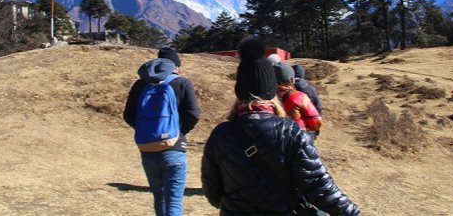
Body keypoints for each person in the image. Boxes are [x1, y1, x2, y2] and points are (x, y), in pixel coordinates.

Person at [202, 37, 360, 216]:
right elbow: (317, 184)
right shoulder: (290, 130)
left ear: (239, 89)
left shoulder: (221, 134)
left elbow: (212, 191)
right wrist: (350, 211)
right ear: (271, 90)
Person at [124, 47, 200, 216]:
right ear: (176, 66)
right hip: (174, 149)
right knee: (173, 201)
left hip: (147, 149)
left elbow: (128, 115)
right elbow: (194, 114)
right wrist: (178, 133)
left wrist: (148, 132)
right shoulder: (182, 82)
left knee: (159, 198)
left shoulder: (140, 84)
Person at [276, 62, 322, 137]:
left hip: (275, 139)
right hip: (297, 138)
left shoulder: (268, 97)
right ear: (291, 79)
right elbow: (316, 123)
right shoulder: (299, 97)